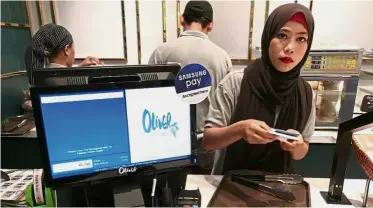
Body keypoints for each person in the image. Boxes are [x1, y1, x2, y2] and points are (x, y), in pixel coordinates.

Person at [202, 3, 316, 174]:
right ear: (268, 37)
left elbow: (302, 151)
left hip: (279, 187)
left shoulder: (306, 93)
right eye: (282, 35)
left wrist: (296, 145)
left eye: (301, 39)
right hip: (230, 183)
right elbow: (208, 142)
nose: (290, 48)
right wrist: (239, 130)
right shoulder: (236, 82)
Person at [149, 1, 232, 171]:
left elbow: (149, 97)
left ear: (182, 19)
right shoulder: (222, 57)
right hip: (206, 143)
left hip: (168, 139)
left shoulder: (162, 52)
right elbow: (225, 107)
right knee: (201, 191)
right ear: (210, 25)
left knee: (168, 192)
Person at [24, 23, 103, 85]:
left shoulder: (42, 77)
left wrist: (80, 66)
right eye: (73, 47)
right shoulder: (81, 80)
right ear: (67, 49)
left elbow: (62, 77)